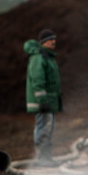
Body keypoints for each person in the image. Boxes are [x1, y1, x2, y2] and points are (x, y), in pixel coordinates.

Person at [24, 29, 62, 165]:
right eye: (50, 39)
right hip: (43, 102)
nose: (53, 41)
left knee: (48, 127)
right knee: (43, 127)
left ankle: (46, 157)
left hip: (49, 101)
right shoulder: (38, 58)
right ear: (43, 42)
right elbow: (38, 81)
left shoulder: (47, 57)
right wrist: (42, 100)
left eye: (54, 39)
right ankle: (41, 158)